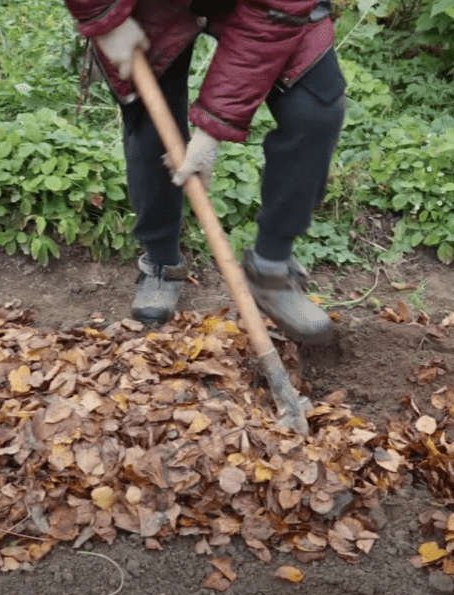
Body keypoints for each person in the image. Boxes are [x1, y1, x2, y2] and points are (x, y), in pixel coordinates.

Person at [66, 0, 345, 345]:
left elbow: (279, 10)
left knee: (313, 111)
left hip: (272, 12)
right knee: (153, 125)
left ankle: (271, 270)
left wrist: (213, 130)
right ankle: (161, 262)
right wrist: (104, 19)